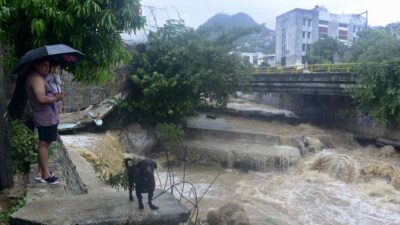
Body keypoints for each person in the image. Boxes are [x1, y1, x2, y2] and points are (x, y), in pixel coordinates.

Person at [25, 58, 64, 184]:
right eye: (44, 65)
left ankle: (39, 172)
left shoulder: (38, 77)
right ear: (36, 65)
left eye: (48, 65)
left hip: (48, 117)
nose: (47, 68)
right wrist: (56, 98)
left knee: (45, 143)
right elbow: (41, 99)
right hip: (44, 117)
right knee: (44, 143)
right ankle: (46, 175)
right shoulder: (36, 79)